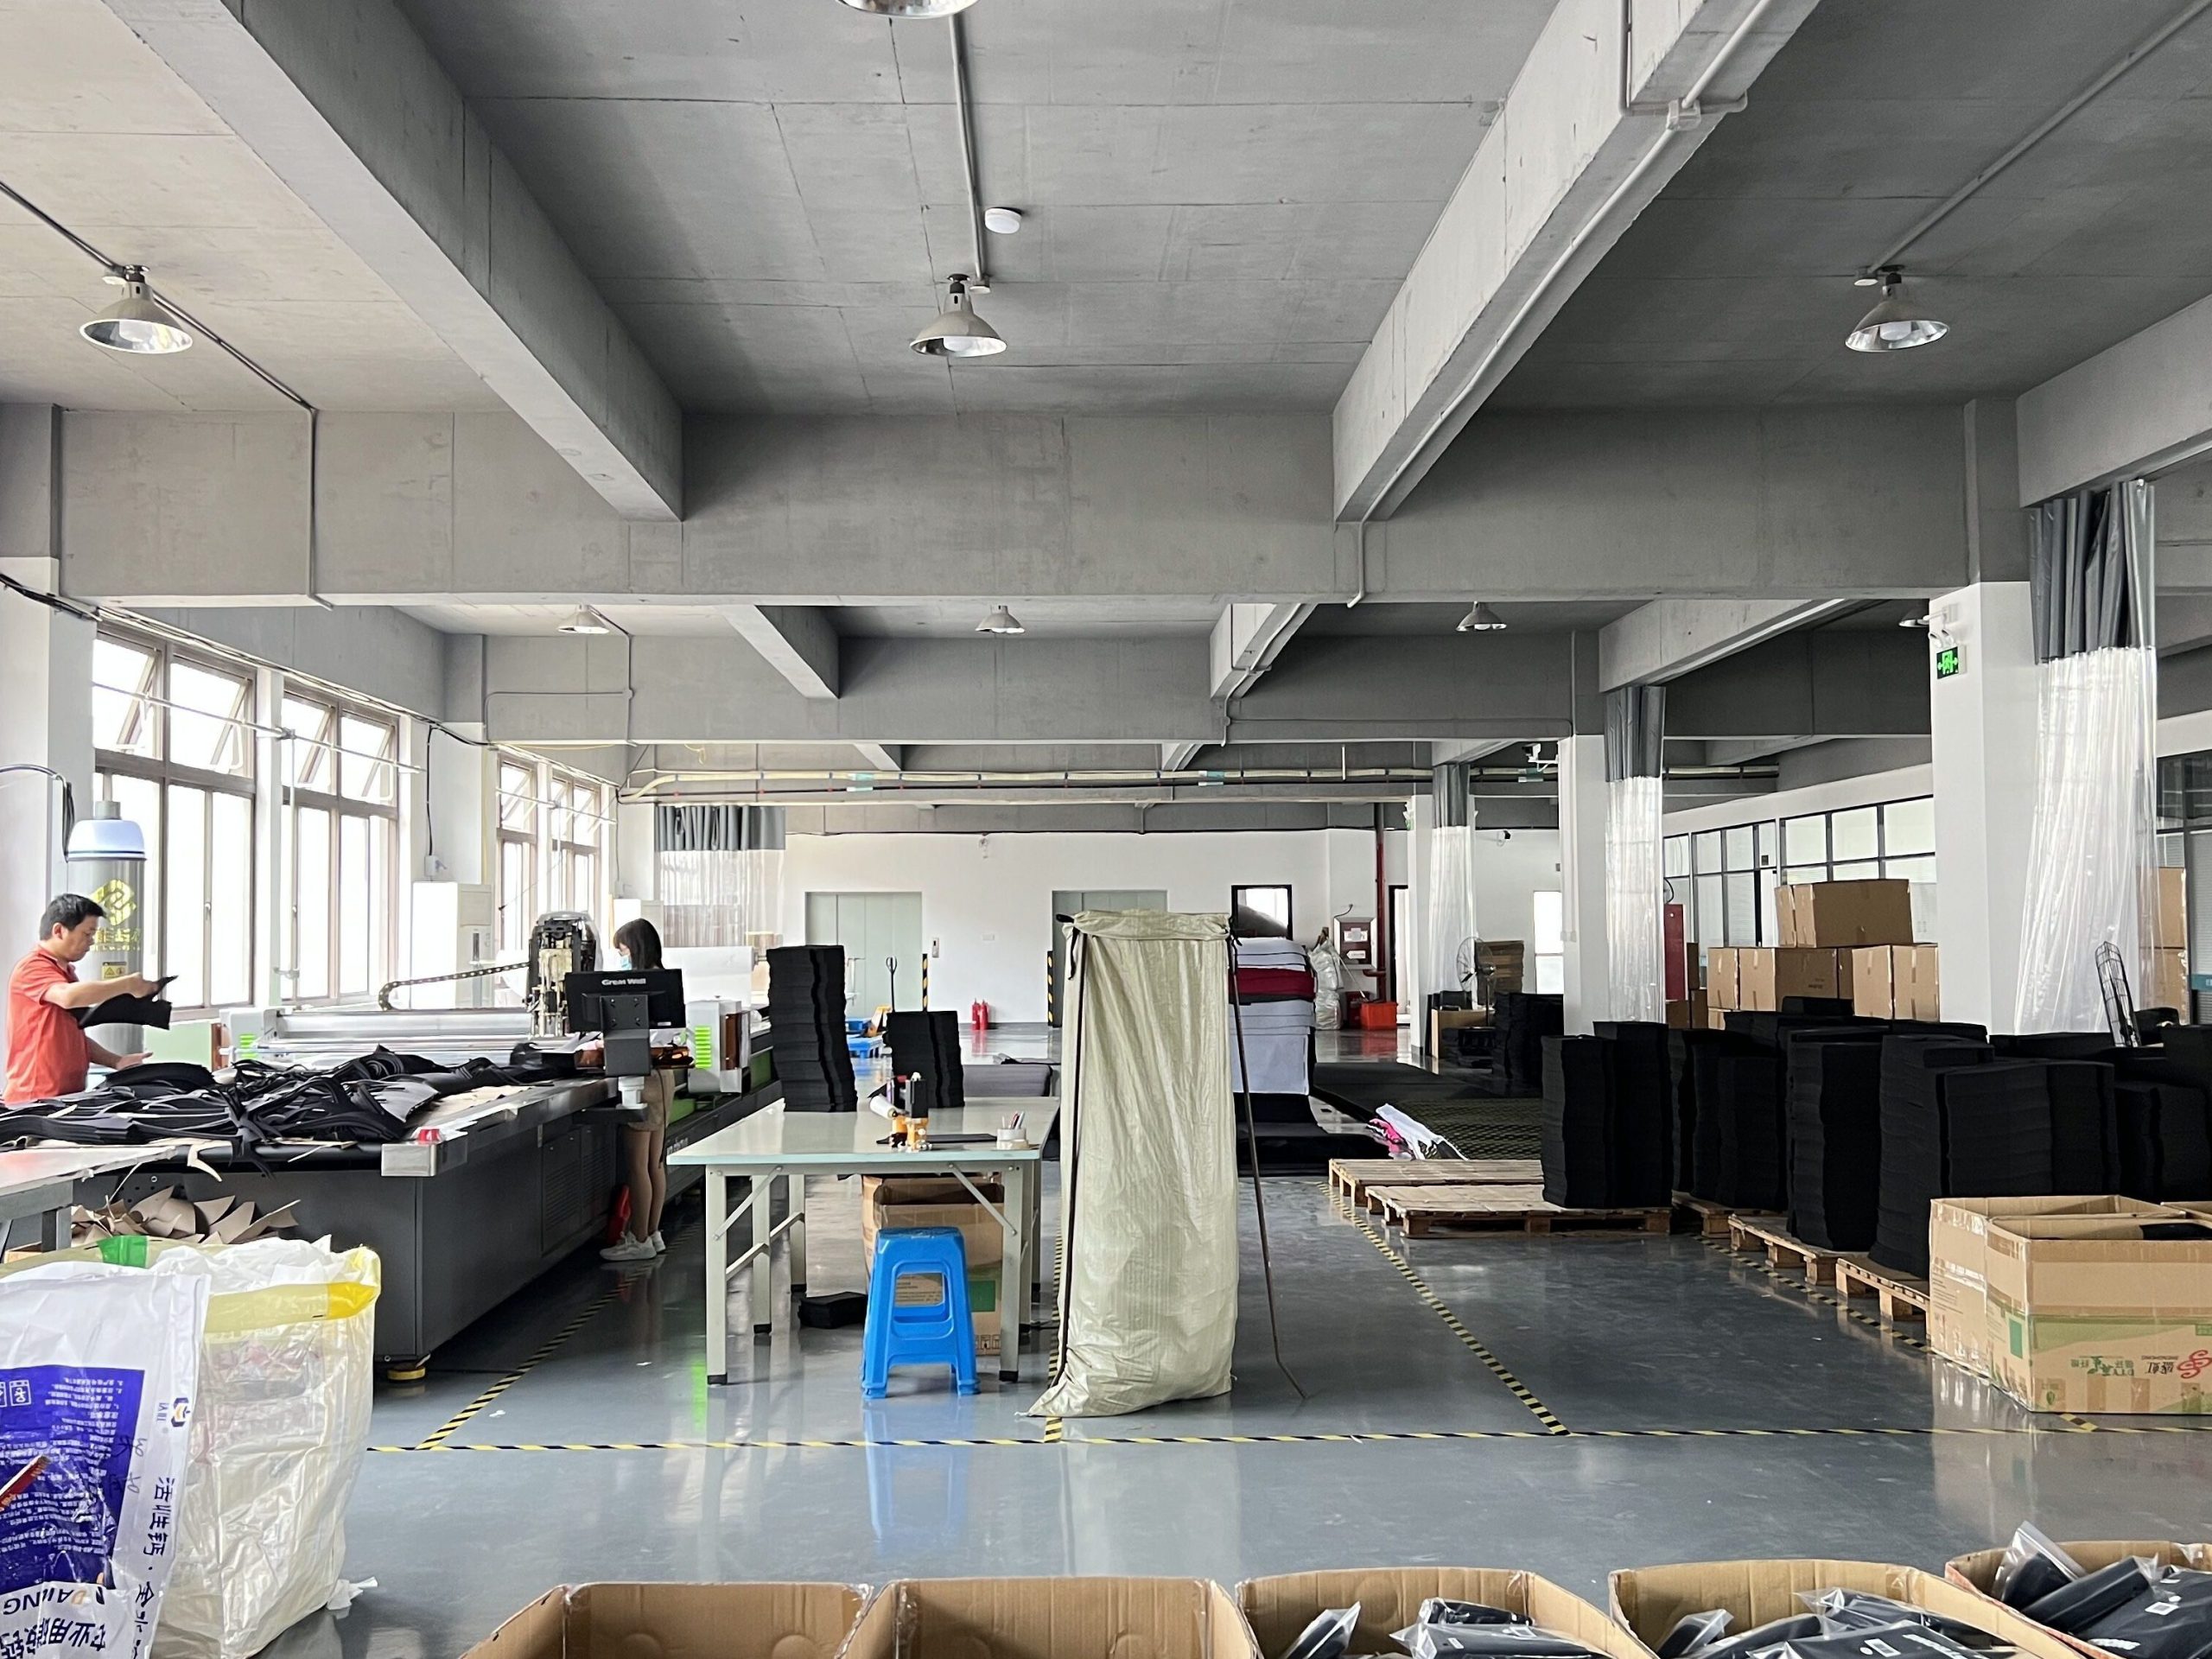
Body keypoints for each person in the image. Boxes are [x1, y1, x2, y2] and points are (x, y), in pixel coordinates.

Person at [6, 894, 155, 1105]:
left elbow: (73, 1038)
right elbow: (68, 997)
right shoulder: (32, 968)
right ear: (59, 931)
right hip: (34, 1100)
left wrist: (117, 1061)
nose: (91, 941)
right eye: (87, 933)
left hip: (66, 1097)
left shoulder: (65, 973)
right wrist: (128, 985)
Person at [601, 917, 673, 1263]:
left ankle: (639, 1239)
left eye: (623, 951)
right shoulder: (665, 980)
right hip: (664, 1076)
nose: (621, 958)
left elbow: (634, 1034)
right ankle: (653, 1233)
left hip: (642, 1080)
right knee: (655, 1163)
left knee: (637, 1165)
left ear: (636, 948)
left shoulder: (641, 986)